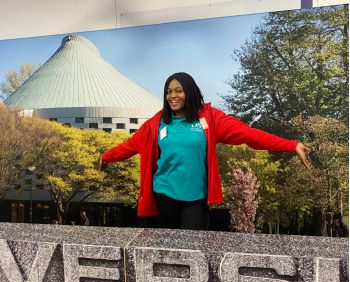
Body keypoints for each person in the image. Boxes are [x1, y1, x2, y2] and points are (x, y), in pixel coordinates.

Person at [100, 72, 310, 230]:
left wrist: (290, 145)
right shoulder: (157, 123)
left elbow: (248, 134)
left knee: (193, 251)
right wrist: (106, 157)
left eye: (178, 90)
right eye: (168, 91)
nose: (172, 96)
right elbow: (129, 146)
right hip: (163, 196)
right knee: (165, 252)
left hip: (195, 199)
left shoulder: (210, 118)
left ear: (189, 92)